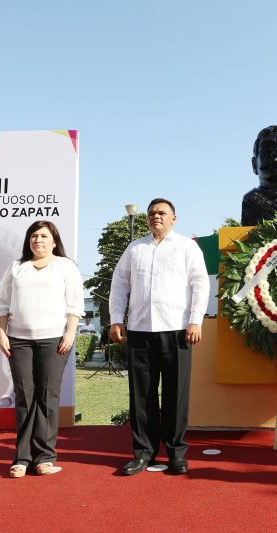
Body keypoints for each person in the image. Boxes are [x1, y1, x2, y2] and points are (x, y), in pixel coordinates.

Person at [109, 198, 210, 475]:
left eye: (162, 213)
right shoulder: (135, 248)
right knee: (142, 395)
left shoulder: (187, 247)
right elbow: (120, 284)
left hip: (178, 329)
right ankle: (144, 453)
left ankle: (177, 453)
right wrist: (117, 318)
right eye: (152, 213)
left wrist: (195, 321)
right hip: (140, 330)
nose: (156, 217)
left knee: (176, 394)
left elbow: (200, 284)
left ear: (174, 218)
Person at [0, 221, 84, 478]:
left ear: (54, 241)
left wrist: (70, 332)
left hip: (53, 339)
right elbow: (2, 305)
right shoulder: (16, 268)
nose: (38, 240)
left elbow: (74, 305)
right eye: (34, 236)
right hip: (18, 340)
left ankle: (44, 456)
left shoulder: (65, 266)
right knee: (25, 397)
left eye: (44, 236)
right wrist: (1, 333)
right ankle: (22, 457)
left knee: (47, 397)